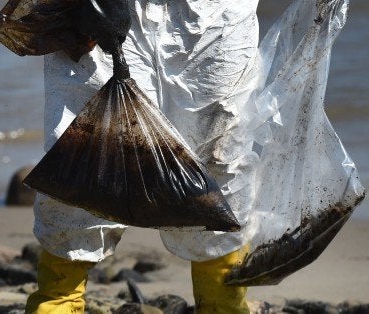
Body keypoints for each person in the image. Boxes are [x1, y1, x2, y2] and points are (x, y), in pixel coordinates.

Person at [25, 0, 261, 313]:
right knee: (84, 150)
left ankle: (224, 304)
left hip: (218, 11)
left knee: (220, 155)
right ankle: (57, 301)